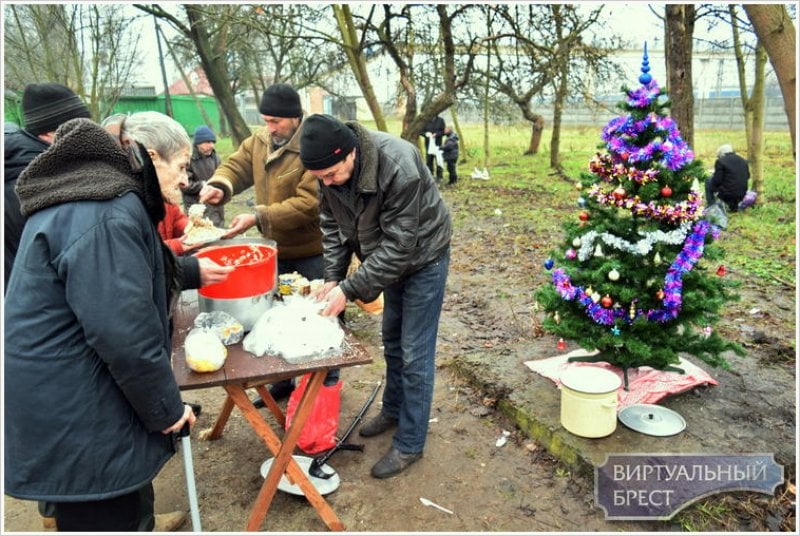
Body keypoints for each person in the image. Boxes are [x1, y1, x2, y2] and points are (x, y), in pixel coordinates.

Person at [3, 111, 230, 532]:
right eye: (181, 166)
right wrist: (167, 409)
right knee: (105, 516)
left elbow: (122, 274)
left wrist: (190, 272)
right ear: (149, 156)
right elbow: (124, 332)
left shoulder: (98, 196)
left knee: (120, 504)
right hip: (75, 409)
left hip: (68, 393)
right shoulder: (106, 210)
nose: (186, 179)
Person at [299, 113, 452, 479]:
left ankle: (410, 442)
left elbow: (401, 246)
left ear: (351, 153)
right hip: (386, 258)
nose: (327, 182)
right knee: (392, 340)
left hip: (423, 258)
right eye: (320, 178)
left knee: (415, 351)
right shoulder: (328, 171)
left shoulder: (400, 163)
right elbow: (332, 225)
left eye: (332, 174)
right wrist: (333, 276)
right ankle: (393, 410)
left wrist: (349, 290)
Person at [198, 83, 338, 403]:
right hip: (276, 251)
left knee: (320, 317)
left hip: (311, 252)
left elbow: (308, 203)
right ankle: (283, 382)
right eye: (265, 119)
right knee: (277, 318)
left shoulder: (312, 145)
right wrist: (221, 185)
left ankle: (327, 384)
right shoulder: (260, 141)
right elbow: (237, 165)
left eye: (276, 121)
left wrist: (257, 217)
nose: (269, 127)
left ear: (295, 118)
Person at [4, 83, 91, 293]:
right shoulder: (39, 184)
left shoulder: (21, 171)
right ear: (52, 133)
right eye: (83, 130)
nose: (90, 139)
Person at [183, 125, 224, 227]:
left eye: (213, 142)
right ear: (198, 143)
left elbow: (222, 173)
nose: (212, 145)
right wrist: (202, 185)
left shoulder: (214, 157)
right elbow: (184, 184)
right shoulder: (188, 159)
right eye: (208, 142)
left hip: (215, 204)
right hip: (196, 206)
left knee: (218, 230)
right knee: (199, 232)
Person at [705, 144, 750, 212]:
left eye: (718, 156)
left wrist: (715, 188)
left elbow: (717, 180)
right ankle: (733, 206)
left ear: (721, 154)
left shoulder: (720, 161)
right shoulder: (743, 160)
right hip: (742, 194)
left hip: (727, 194)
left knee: (708, 179)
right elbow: (748, 176)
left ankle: (711, 205)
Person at [420, 114, 445, 182]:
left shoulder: (441, 120)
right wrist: (426, 134)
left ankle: (439, 176)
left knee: (438, 160)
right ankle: (430, 176)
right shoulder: (426, 121)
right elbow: (421, 131)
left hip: (438, 144)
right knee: (429, 160)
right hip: (428, 145)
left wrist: (437, 134)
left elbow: (443, 131)